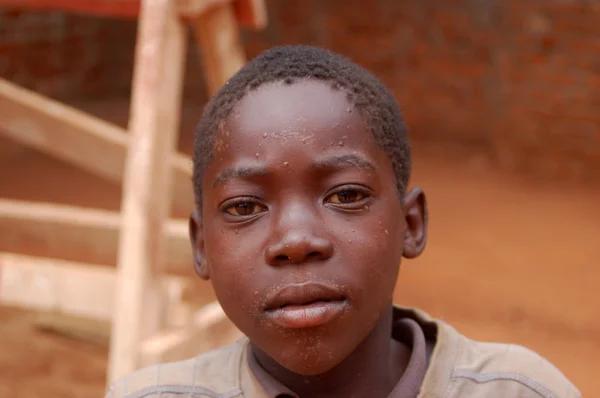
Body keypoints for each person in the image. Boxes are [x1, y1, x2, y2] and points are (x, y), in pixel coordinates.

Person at [105, 45, 580, 398]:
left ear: (411, 224)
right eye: (244, 207)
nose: (295, 242)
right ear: (201, 245)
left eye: (346, 195)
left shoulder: (521, 392)